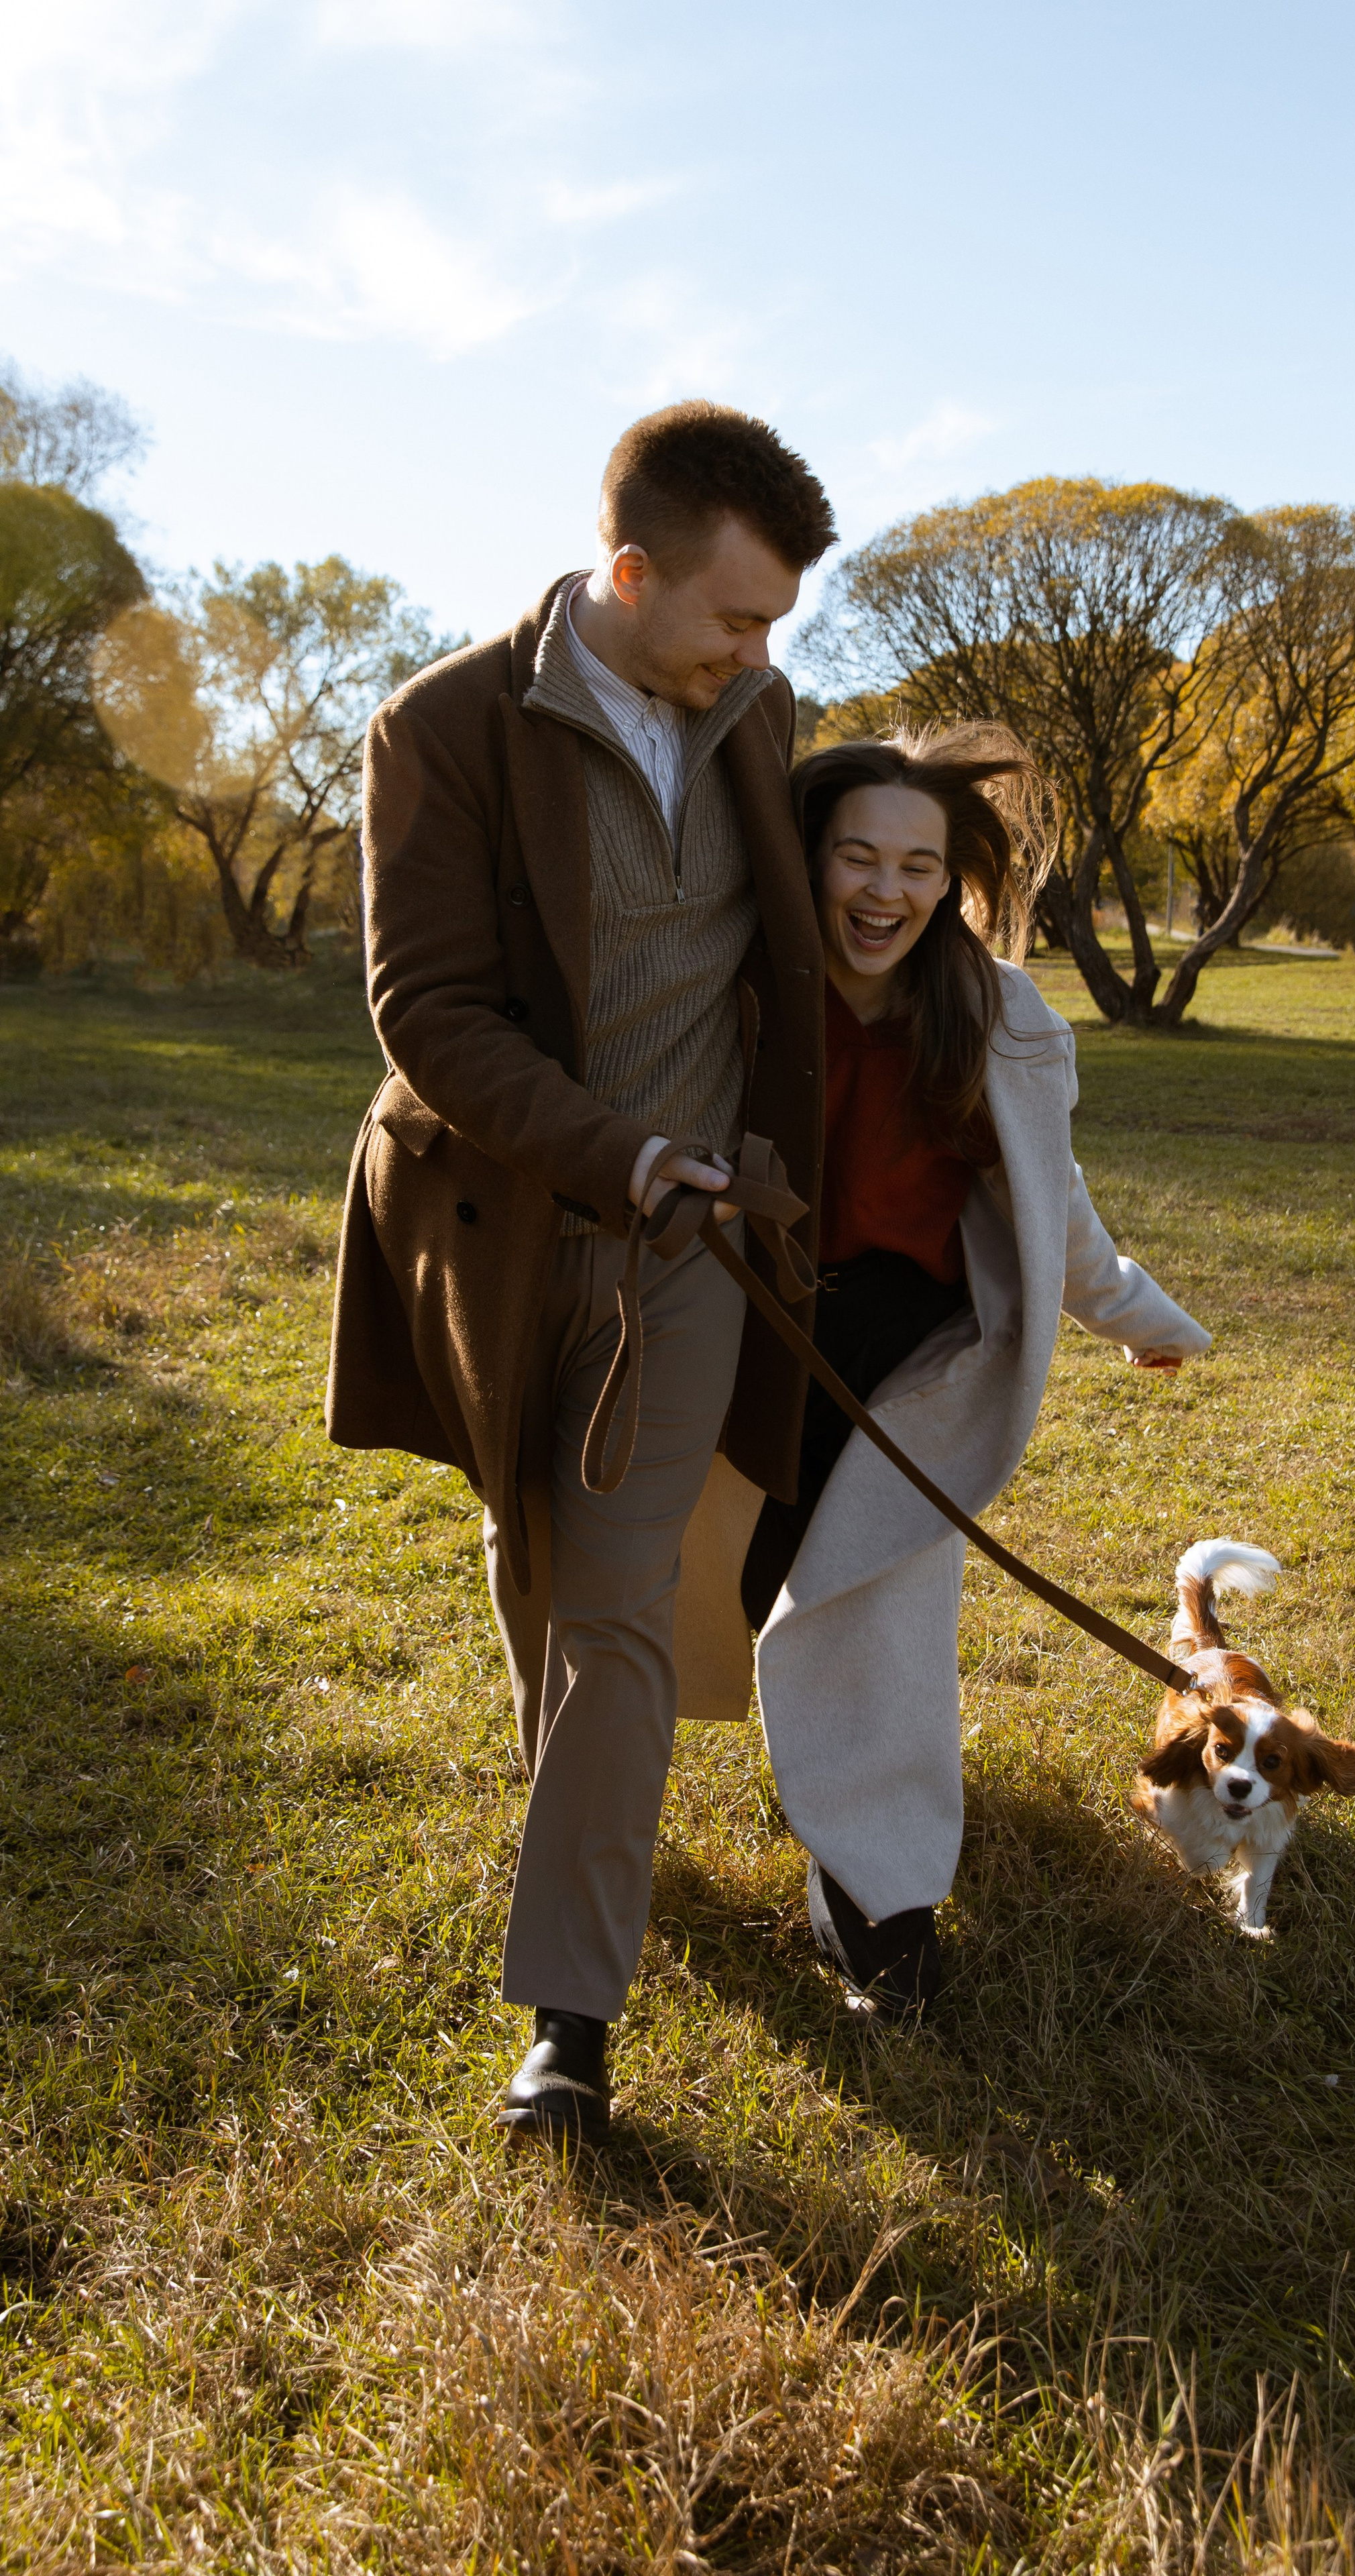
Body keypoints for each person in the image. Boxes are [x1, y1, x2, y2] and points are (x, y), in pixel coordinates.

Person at [325, 401, 836, 2146]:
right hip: (492, 1230)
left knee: (616, 1597)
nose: (758, 656)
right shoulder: (443, 726)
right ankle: (586, 1812)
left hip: (690, 1248)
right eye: (735, 616)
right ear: (628, 571)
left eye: (775, 626)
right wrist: (609, 1150)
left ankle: (570, 2023)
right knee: (532, 1554)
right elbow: (426, 1009)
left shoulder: (758, 712)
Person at [674, 727, 1211, 2017]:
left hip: (908, 1363)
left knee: (874, 1619)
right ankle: (603, 1814)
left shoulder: (990, 1010)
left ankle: (881, 1905)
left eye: (918, 866)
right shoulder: (729, 987)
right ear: (806, 859)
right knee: (716, 1591)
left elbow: (1048, 1201)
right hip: (735, 1341)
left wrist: (1134, 1313)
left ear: (952, 879)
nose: (886, 891)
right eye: (856, 856)